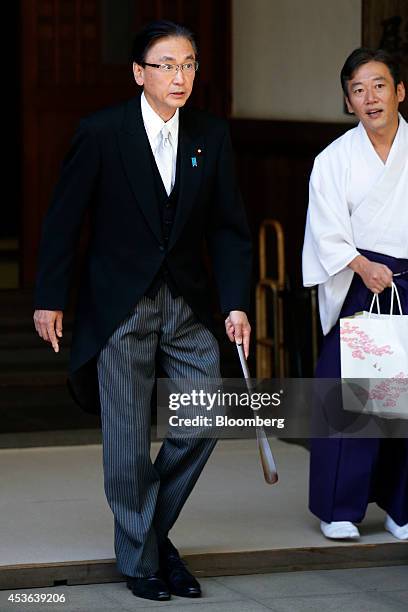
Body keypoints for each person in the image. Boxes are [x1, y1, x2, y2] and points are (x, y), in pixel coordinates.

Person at [33, 20, 252, 602]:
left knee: (203, 420)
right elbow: (63, 220)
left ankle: (146, 540)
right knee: (126, 446)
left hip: (188, 305)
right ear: (139, 73)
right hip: (118, 306)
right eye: (167, 66)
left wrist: (236, 303)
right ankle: (147, 561)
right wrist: (50, 297)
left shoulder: (212, 134)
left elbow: (230, 228)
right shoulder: (101, 132)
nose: (180, 77)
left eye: (189, 65)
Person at [302, 47, 408, 541]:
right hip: (363, 280)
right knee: (356, 401)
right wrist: (363, 267)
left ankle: (401, 507)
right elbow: (326, 231)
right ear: (348, 102)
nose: (370, 98)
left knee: (404, 402)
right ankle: (339, 507)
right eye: (358, 90)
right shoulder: (334, 160)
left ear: (399, 91)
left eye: (379, 86)